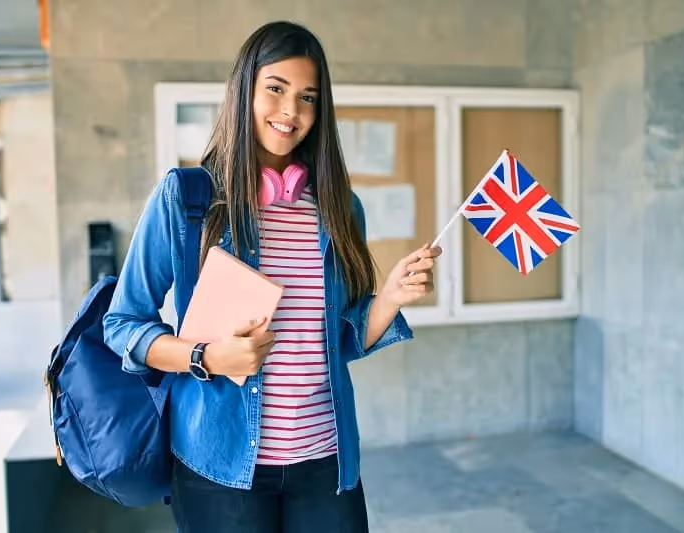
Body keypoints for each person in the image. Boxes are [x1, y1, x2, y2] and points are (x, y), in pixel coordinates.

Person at [103, 20, 442, 533]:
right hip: (220, 466)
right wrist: (206, 357)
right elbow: (123, 325)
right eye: (276, 90)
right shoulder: (188, 198)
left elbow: (339, 338)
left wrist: (390, 297)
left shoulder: (339, 208)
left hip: (325, 462)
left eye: (308, 97)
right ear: (245, 91)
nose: (291, 112)